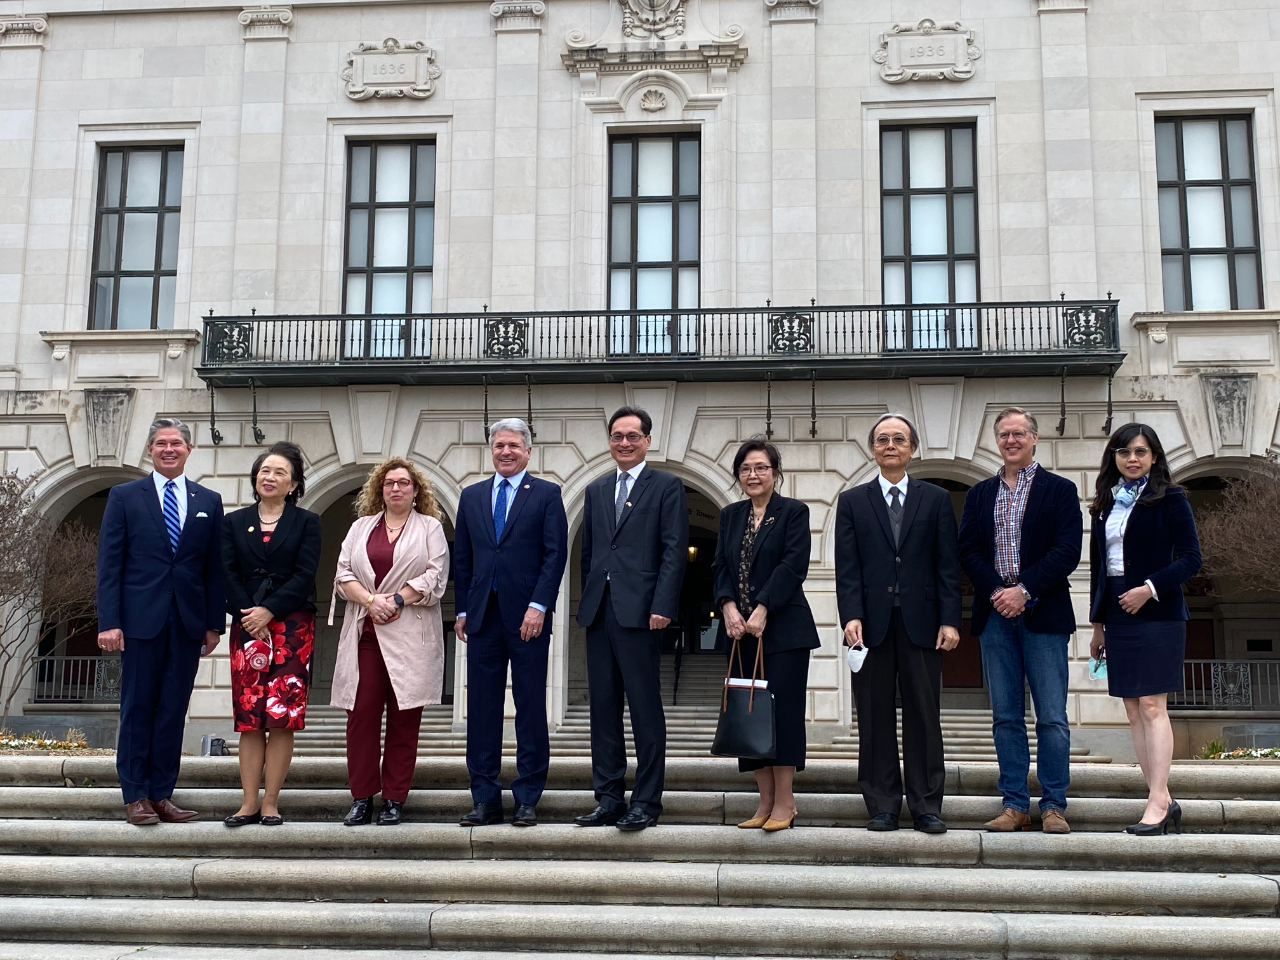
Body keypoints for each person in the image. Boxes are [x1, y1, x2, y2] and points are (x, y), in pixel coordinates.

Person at [958, 407, 1083, 834]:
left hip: (1044, 612)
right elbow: (968, 551)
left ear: (1034, 438)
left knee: (1051, 716)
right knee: (1005, 716)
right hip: (995, 616)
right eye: (1004, 434)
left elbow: (1067, 551)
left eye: (1019, 433)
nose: (1011, 440)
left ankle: (1053, 805)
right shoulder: (979, 494)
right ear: (997, 441)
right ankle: (1014, 804)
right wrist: (998, 592)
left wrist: (1023, 590)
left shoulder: (1060, 490)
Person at [835, 413, 961, 834]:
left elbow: (947, 565)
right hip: (869, 626)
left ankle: (926, 804)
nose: (891, 445)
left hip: (923, 624)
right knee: (873, 715)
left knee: (925, 715)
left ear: (912, 448)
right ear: (873, 449)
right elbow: (847, 567)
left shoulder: (936, 499)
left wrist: (950, 619)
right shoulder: (852, 501)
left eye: (899, 439)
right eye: (883, 439)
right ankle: (882, 804)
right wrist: (850, 614)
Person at [96, 418, 226, 826]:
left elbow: (212, 568)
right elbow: (110, 564)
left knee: (173, 709)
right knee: (138, 707)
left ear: (189, 450)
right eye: (160, 443)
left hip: (187, 623)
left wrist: (213, 623)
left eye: (176, 443)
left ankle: (161, 793)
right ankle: (135, 795)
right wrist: (109, 621)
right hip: (138, 621)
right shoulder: (124, 496)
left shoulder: (208, 500)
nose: (168, 449)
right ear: (149, 450)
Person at [574, 406, 688, 832]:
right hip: (600, 611)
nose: (624, 442)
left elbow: (674, 551)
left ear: (647, 441)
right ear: (609, 441)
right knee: (602, 709)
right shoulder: (597, 489)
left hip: (642, 614)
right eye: (617, 436)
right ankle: (607, 798)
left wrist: (663, 604)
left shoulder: (667, 487)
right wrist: (589, 597)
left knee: (644, 708)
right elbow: (589, 554)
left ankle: (645, 801)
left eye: (633, 436)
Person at [453, 418, 568, 827]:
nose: (506, 451)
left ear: (528, 451)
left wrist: (539, 606)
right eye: (499, 445)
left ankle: (527, 797)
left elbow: (555, 556)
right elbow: (462, 560)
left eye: (514, 445)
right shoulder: (471, 496)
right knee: (481, 710)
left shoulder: (547, 494)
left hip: (527, 619)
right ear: (492, 450)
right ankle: (484, 798)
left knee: (530, 707)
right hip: (482, 618)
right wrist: (463, 610)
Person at [1088, 423, 1201, 836]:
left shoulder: (1171, 498)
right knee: (1133, 708)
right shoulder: (1104, 505)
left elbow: (1191, 558)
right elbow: (1100, 570)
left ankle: (1157, 801)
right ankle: (1161, 797)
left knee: (1153, 706)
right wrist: (1097, 626)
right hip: (1117, 613)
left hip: (1157, 612)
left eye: (1140, 451)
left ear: (1154, 457)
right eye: (1123, 452)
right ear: (1113, 458)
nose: (1132, 459)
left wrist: (1149, 589)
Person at [331, 457, 449, 826]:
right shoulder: (360, 527)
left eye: (404, 483)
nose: (396, 488)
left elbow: (436, 574)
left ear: (416, 491)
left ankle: (394, 799)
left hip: (411, 634)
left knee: (404, 720)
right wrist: (372, 601)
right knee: (361, 716)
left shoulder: (430, 527)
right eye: (389, 483)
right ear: (379, 490)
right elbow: (343, 573)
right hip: (366, 632)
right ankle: (362, 797)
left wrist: (397, 599)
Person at [712, 439, 820, 832]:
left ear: (775, 472)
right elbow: (719, 565)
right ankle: (764, 802)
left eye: (760, 467)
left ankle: (786, 804)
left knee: (783, 715)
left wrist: (762, 608)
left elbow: (793, 566)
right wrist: (726, 606)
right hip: (739, 634)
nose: (752, 475)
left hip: (784, 630)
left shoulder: (793, 512)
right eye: (745, 468)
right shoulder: (730, 515)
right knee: (749, 711)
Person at [220, 441, 322, 827]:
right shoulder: (233, 522)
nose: (270, 477)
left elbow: (305, 574)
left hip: (292, 626)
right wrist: (250, 613)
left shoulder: (307, 522)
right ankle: (247, 802)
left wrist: (270, 610)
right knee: (250, 716)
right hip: (247, 625)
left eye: (280, 472)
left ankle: (271, 802)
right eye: (265, 470)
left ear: (294, 484)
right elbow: (226, 573)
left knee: (281, 714)